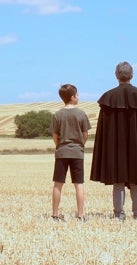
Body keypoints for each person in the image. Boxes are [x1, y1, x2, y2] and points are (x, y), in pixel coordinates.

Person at [90, 61, 137, 223]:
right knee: (136, 178)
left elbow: (103, 130)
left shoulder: (109, 97)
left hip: (115, 147)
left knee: (118, 179)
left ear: (116, 76)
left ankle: (119, 215)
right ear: (131, 75)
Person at [50, 83, 91, 221]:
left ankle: (55, 214)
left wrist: (60, 146)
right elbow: (85, 135)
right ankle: (81, 215)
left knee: (58, 184)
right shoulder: (81, 114)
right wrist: (79, 145)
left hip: (61, 152)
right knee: (79, 184)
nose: (78, 97)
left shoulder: (57, 115)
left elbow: (55, 136)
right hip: (77, 153)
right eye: (77, 94)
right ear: (73, 97)